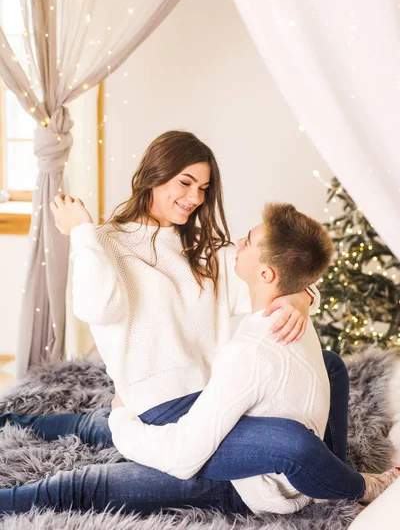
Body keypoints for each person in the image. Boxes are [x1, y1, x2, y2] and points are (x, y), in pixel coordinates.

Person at [0, 131, 394, 516]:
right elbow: (97, 308)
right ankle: (14, 425)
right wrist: (82, 232)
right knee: (96, 466)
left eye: (204, 188)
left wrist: (301, 298)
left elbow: (279, 272)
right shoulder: (107, 244)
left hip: (218, 397)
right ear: (153, 176)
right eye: (185, 183)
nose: (195, 198)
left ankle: (332, 475)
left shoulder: (204, 250)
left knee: (329, 365)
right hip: (163, 405)